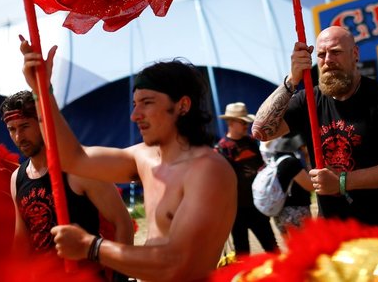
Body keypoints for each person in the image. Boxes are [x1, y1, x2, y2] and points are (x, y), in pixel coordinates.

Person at [21, 40, 237, 282]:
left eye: (147, 103)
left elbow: (178, 265)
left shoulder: (208, 171)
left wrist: (91, 247)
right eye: (135, 104)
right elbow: (71, 158)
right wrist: (41, 92)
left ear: (182, 105)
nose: (135, 115)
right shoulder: (144, 157)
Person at [252, 25, 378, 241]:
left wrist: (342, 181)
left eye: (336, 52)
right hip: (334, 236)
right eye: (321, 54)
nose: (328, 60)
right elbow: (261, 130)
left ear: (355, 54)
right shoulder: (309, 102)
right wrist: (292, 80)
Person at [0, 90, 134, 279]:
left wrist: (120, 277)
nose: (18, 136)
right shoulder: (17, 178)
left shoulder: (79, 170)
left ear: (43, 123)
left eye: (24, 126)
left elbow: (122, 223)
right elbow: (21, 241)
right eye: (12, 129)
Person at [214, 101, 278, 256]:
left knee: (272, 248)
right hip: (236, 211)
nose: (246, 126)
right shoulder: (222, 149)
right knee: (242, 253)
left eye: (246, 122)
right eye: (242, 122)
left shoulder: (251, 142)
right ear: (230, 122)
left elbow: (262, 167)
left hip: (257, 206)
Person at [260, 135, 314, 235]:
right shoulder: (291, 162)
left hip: (280, 212)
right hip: (296, 211)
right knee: (304, 246)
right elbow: (310, 186)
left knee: (290, 247)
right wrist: (308, 160)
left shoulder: (274, 161)